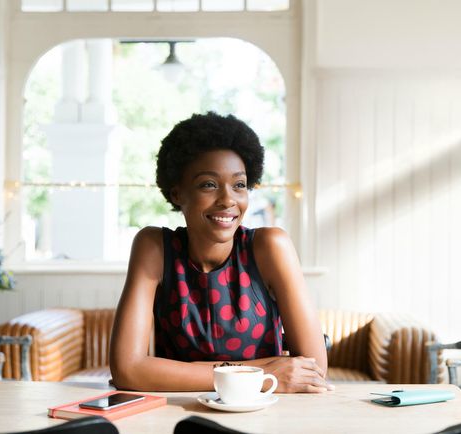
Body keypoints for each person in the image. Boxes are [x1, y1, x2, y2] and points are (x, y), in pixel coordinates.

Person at [110, 112, 331, 393]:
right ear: (177, 193)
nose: (228, 199)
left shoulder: (270, 247)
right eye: (209, 184)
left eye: (239, 185)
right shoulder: (154, 247)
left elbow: (313, 369)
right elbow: (127, 370)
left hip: (267, 416)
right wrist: (264, 373)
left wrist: (172, 373)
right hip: (179, 415)